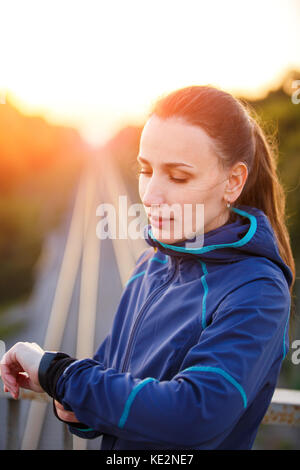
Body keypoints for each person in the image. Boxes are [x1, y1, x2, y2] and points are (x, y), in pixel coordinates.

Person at [0, 85, 295, 450]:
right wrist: (73, 398)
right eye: (145, 169)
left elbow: (191, 416)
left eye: (178, 176)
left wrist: (56, 373)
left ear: (233, 181)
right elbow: (108, 374)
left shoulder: (257, 289)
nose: (151, 195)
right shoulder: (151, 263)